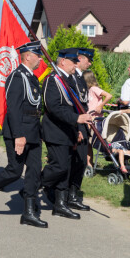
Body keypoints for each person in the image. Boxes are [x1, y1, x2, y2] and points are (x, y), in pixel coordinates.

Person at [0, 41, 48, 228]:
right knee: (15, 170)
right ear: (28, 56)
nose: (40, 59)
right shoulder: (17, 77)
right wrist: (19, 135)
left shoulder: (31, 77)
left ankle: (29, 212)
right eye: (37, 55)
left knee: (33, 172)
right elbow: (14, 109)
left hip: (32, 131)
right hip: (19, 130)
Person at [41, 48, 94, 220]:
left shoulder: (69, 80)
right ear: (63, 61)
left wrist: (78, 125)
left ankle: (60, 204)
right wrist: (77, 119)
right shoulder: (53, 80)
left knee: (66, 168)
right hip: (55, 130)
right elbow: (54, 107)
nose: (76, 65)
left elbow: (75, 105)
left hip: (68, 130)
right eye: (73, 62)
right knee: (60, 167)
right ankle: (33, 186)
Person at [65, 48, 95, 211]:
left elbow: (83, 103)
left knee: (81, 161)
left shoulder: (81, 78)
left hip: (83, 123)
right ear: (80, 58)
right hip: (74, 123)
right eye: (88, 60)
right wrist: (76, 126)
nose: (89, 64)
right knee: (69, 161)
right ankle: (59, 191)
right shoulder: (69, 78)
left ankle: (73, 194)